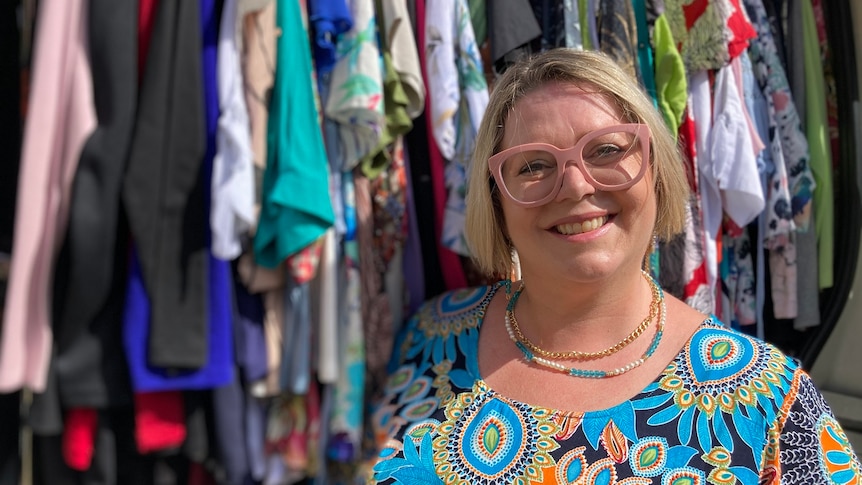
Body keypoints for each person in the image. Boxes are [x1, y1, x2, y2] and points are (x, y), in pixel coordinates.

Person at [365, 49, 861, 484]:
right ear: (497, 205)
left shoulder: (769, 402)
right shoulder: (430, 335)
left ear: (657, 174)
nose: (576, 186)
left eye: (606, 150)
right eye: (533, 165)